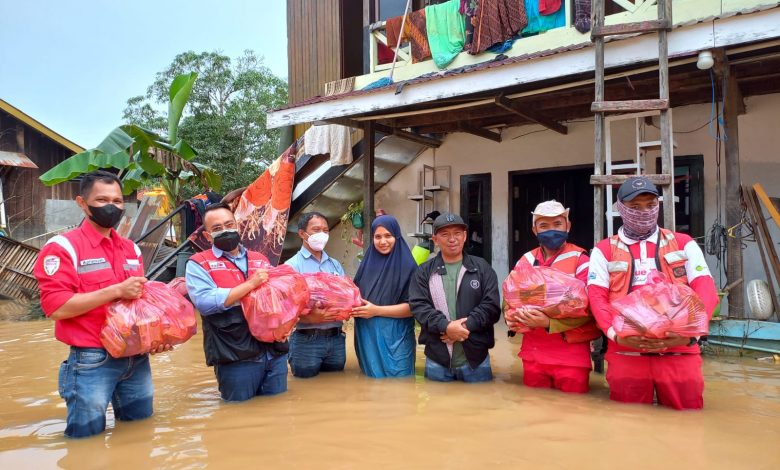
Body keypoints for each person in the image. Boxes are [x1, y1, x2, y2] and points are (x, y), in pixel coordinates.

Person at [33, 170, 171, 438]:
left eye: (118, 201)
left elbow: (137, 307)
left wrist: (154, 338)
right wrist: (116, 290)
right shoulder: (62, 247)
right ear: (82, 203)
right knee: (86, 440)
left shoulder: (131, 249)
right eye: (103, 199)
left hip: (136, 358)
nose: (112, 207)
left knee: (139, 434)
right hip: (92, 360)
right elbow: (56, 308)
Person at [588, 176, 719, 410]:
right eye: (635, 207)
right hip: (627, 350)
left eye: (650, 205)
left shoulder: (683, 243)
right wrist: (616, 335)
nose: (644, 211)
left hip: (680, 350)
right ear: (620, 208)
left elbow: (706, 289)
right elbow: (597, 297)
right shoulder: (603, 250)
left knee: (687, 421)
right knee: (628, 424)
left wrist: (691, 336)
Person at [185, 202, 289, 402]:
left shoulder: (259, 258)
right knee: (238, 412)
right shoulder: (198, 263)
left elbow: (276, 298)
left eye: (229, 224)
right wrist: (250, 285)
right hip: (235, 356)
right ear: (207, 236)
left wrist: (286, 324)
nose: (225, 231)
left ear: (238, 225)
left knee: (278, 412)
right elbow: (205, 302)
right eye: (217, 228)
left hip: (274, 353)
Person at [505, 200, 601, 393]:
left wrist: (549, 323)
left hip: (571, 357)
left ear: (568, 225)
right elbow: (510, 297)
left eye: (557, 224)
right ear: (535, 230)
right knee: (534, 410)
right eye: (544, 225)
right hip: (533, 355)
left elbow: (590, 309)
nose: (551, 230)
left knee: (572, 413)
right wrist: (510, 316)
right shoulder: (526, 260)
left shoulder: (582, 261)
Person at [409, 213, 501, 382]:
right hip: (437, 360)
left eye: (457, 233)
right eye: (445, 234)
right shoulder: (423, 272)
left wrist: (464, 326)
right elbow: (419, 306)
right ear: (435, 240)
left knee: (480, 406)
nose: (452, 239)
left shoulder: (481, 268)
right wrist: (446, 326)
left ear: (465, 236)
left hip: (476, 359)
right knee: (438, 407)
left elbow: (492, 306)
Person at [352, 215, 418, 378]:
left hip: (396, 336)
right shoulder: (366, 265)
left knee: (399, 383)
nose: (383, 241)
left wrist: (376, 310)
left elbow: (414, 308)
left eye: (388, 236)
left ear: (396, 236)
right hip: (366, 335)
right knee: (371, 385)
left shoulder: (408, 266)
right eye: (378, 237)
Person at [285, 212, 347, 378]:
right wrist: (308, 318)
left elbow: (346, 296)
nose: (322, 234)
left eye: (325, 230)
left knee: (336, 390)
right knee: (304, 394)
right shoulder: (291, 267)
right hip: (306, 342)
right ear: (302, 233)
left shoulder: (335, 265)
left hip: (336, 340)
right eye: (316, 229)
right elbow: (284, 309)